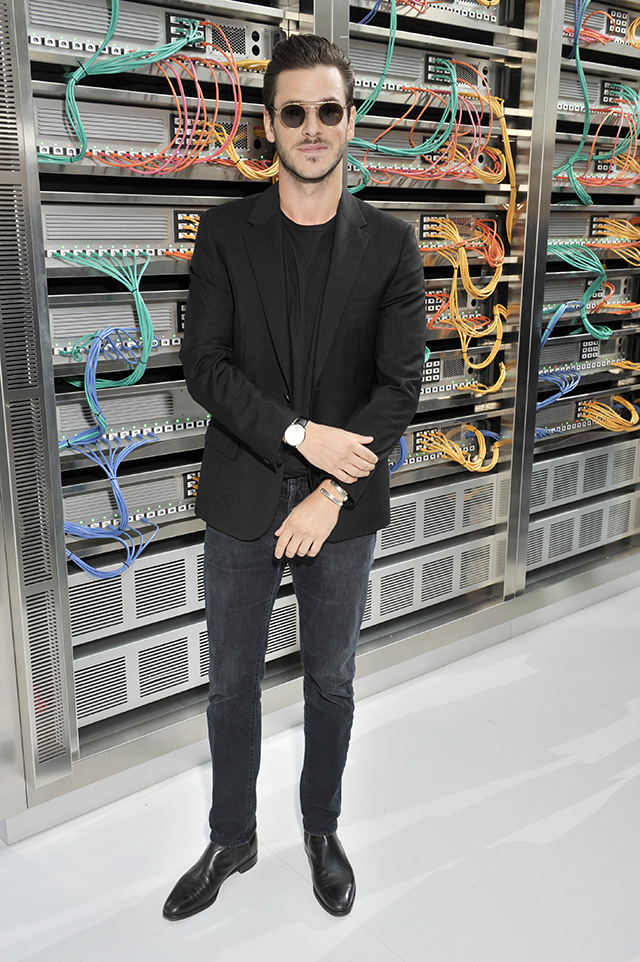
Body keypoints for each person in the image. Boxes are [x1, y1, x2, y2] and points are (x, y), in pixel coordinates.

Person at [162, 33, 426, 922]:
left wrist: (330, 489)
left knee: (331, 681)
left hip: (340, 510)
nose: (313, 127)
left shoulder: (392, 244)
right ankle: (231, 836)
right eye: (295, 112)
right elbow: (206, 367)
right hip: (242, 492)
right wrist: (302, 437)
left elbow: (399, 387)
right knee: (231, 683)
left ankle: (321, 830)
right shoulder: (224, 234)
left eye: (329, 110)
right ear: (269, 126)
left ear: (350, 122)